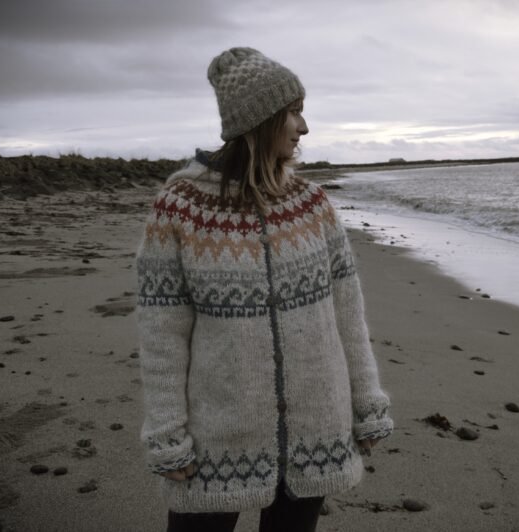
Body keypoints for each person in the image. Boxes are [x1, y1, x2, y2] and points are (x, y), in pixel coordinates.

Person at [135, 47, 393, 532]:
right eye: (293, 112)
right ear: (259, 120)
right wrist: (167, 433)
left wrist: (367, 404)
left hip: (319, 427)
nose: (304, 126)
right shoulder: (180, 208)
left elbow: (347, 314)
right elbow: (161, 331)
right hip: (219, 434)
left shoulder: (313, 204)